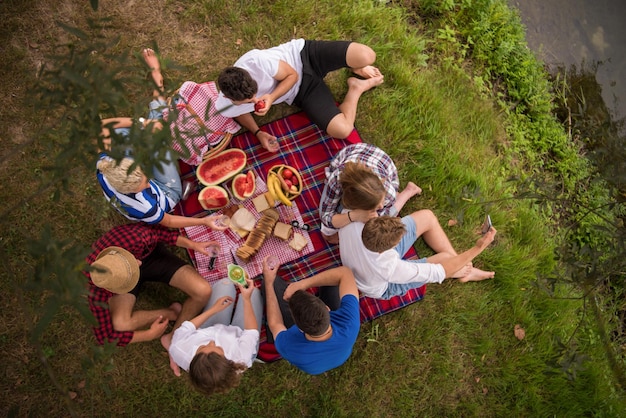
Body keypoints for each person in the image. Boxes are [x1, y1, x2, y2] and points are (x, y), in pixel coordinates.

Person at [96, 49, 226, 230]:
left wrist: (143, 123)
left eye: (144, 175)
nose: (148, 182)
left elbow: (100, 127)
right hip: (167, 190)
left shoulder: (105, 164)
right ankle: (157, 82)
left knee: (140, 129)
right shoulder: (144, 207)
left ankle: (156, 91)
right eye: (144, 184)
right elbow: (170, 221)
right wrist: (204, 221)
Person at [216, 39, 384, 152]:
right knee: (343, 130)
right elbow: (238, 112)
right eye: (249, 102)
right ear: (230, 99)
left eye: (254, 95)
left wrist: (272, 97)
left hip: (303, 55)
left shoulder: (257, 61)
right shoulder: (225, 105)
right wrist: (258, 132)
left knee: (367, 55)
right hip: (301, 92)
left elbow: (292, 75)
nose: (255, 101)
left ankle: (355, 66)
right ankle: (356, 88)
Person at [86, 222, 215, 347]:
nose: (139, 264)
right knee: (121, 324)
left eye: (131, 261)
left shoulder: (135, 237)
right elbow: (105, 337)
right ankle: (171, 313)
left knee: (203, 291)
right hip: (122, 283)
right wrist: (148, 334)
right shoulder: (96, 288)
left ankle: (174, 338)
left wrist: (193, 245)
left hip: (151, 257)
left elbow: (162, 234)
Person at [339, 213, 497, 300]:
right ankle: (465, 271)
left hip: (365, 258)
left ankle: (463, 267)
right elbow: (440, 272)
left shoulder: (354, 218)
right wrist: (479, 247)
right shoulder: (391, 268)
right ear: (391, 249)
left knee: (427, 217)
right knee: (446, 260)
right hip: (384, 285)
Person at [165, 277, 263, 395]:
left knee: (225, 283)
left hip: (209, 327)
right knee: (253, 293)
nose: (212, 342)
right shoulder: (241, 358)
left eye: (201, 347)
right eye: (219, 348)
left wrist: (213, 310)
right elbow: (251, 332)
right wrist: (246, 299)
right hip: (240, 334)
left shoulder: (178, 348)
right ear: (229, 363)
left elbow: (187, 328)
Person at [263, 258, 360, 375]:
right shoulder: (350, 323)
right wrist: (305, 283)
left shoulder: (289, 346)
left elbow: (275, 324)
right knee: (334, 275)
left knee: (273, 283)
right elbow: (345, 273)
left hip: (313, 360)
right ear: (327, 308)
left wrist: (269, 283)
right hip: (337, 355)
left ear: (298, 328)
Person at [319, 142, 422, 244]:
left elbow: (379, 220)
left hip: (383, 164)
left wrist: (373, 216)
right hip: (353, 153)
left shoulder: (388, 193)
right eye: (375, 206)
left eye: (380, 203)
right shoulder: (337, 179)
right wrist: (354, 216)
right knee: (327, 234)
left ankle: (408, 192)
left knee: (384, 216)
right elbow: (326, 216)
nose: (381, 206)